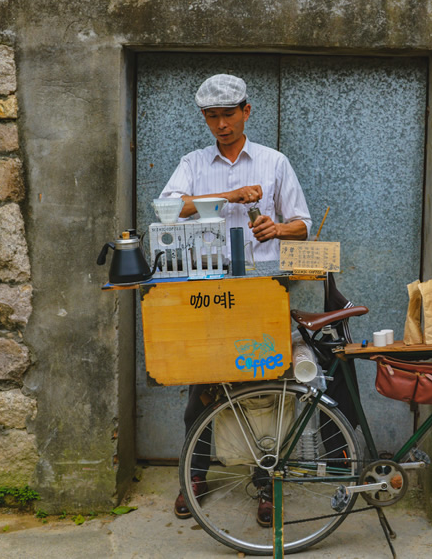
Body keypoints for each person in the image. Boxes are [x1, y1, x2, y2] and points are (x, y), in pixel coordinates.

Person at [159, 74, 312, 527]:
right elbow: (169, 209)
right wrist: (227, 196)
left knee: (265, 386)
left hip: (263, 290)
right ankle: (196, 476)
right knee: (202, 387)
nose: (221, 124)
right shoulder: (193, 163)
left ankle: (267, 486)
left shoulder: (274, 162)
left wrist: (277, 229)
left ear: (247, 111)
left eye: (228, 114)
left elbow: (302, 222)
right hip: (206, 291)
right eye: (212, 117)